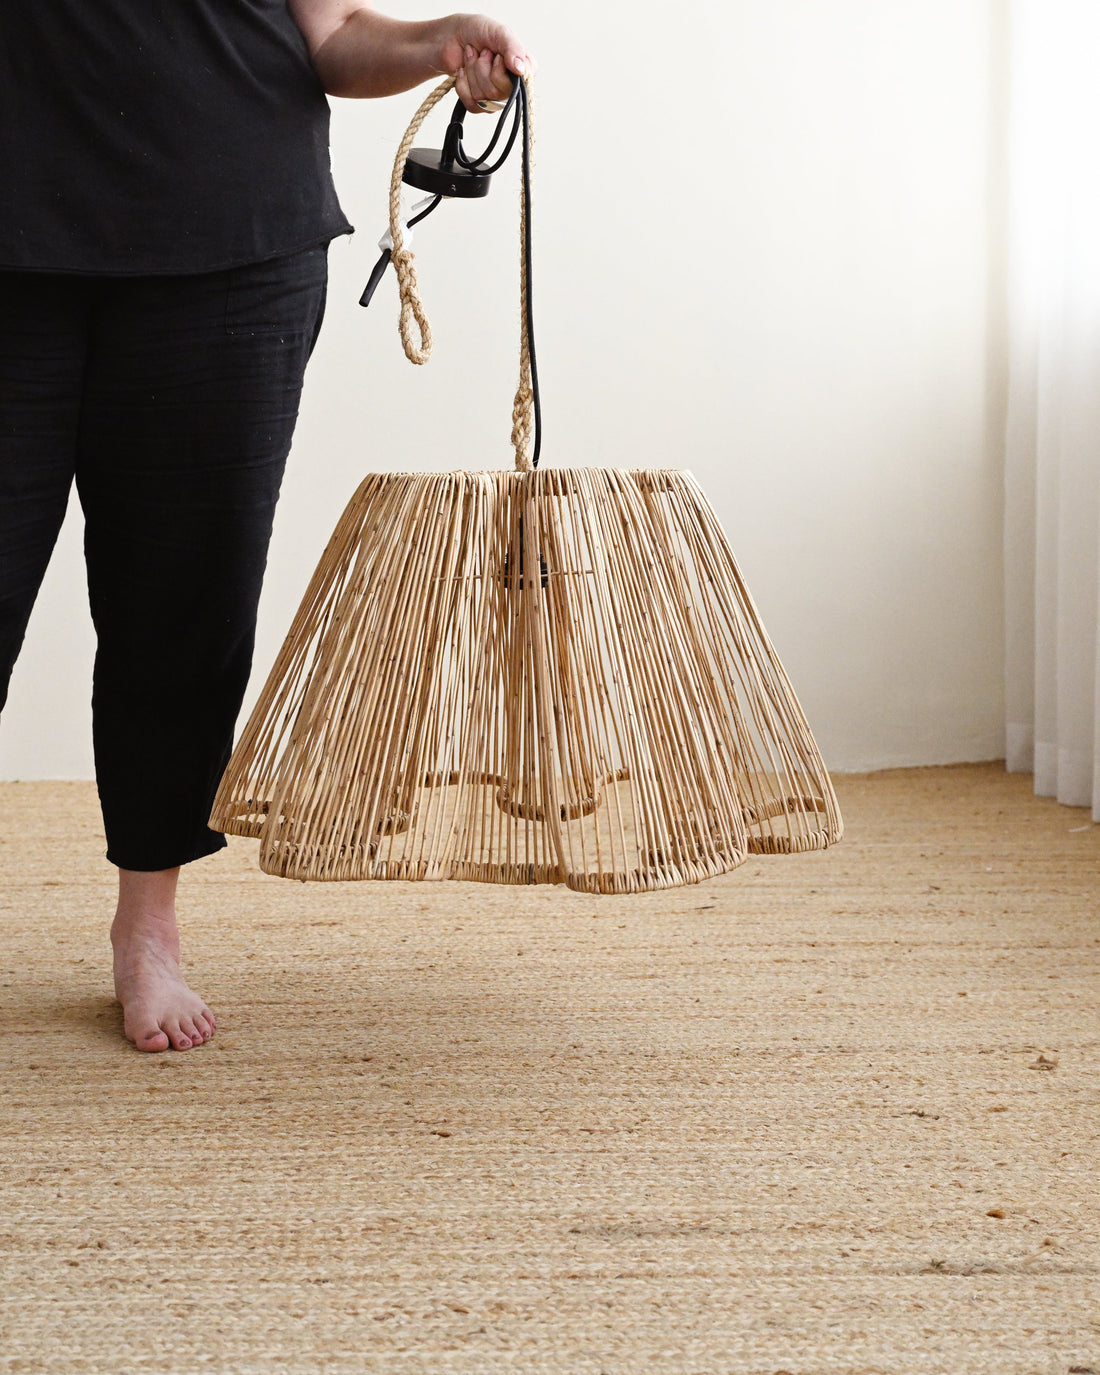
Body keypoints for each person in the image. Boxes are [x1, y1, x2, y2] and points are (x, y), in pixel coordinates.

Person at [0, 3, 534, 1053]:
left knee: (183, 609)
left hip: (230, 253)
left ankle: (148, 925)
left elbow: (330, 40)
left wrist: (435, 44)